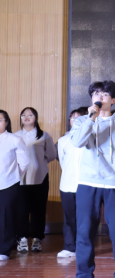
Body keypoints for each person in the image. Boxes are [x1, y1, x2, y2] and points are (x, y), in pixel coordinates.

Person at [71, 80, 115, 278]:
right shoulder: (83, 121)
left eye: (104, 94)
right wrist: (91, 119)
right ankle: (84, 274)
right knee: (84, 232)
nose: (99, 98)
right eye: (95, 94)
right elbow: (77, 142)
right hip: (88, 182)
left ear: (113, 100)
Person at [14, 107, 58, 253]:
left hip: (40, 177)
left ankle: (37, 239)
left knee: (38, 210)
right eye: (23, 115)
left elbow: (51, 155)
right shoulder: (15, 136)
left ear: (36, 118)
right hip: (19, 179)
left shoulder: (44, 136)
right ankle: (21, 238)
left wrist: (37, 163)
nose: (26, 117)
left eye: (30, 115)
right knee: (20, 210)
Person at [56, 108, 86, 258]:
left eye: (78, 118)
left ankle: (84, 245)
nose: (75, 121)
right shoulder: (63, 140)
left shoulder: (90, 138)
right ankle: (69, 247)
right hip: (67, 184)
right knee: (69, 217)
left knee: (85, 218)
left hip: (85, 184)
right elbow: (63, 161)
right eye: (72, 118)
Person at [0, 110, 29, 261]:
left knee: (6, 217)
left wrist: (14, 177)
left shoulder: (14, 139)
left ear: (6, 122)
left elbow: (24, 162)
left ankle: (4, 249)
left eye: (0, 120)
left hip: (8, 183)